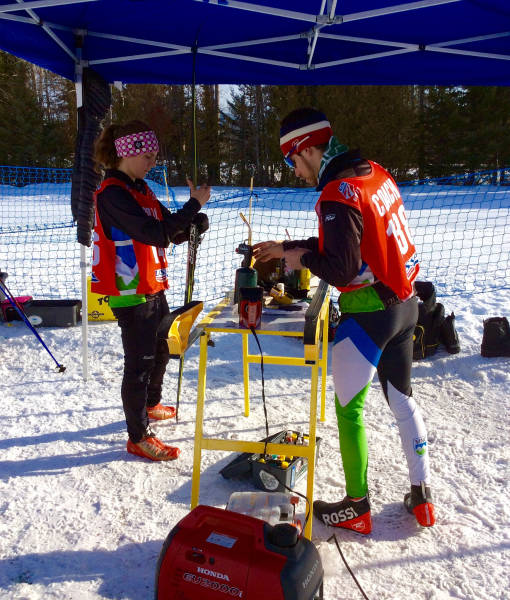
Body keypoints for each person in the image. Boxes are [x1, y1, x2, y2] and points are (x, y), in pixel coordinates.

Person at [253, 108, 434, 533]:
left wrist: (303, 258)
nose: (294, 171)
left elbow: (341, 267)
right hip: (405, 303)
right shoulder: (373, 173)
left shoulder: (336, 192)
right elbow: (359, 242)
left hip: (368, 313)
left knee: (348, 411)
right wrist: (289, 247)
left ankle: (357, 507)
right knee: (402, 400)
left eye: (292, 160)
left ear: (310, 148)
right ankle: (422, 496)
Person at [92, 120, 210, 461]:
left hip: (153, 285)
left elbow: (168, 232)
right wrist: (193, 206)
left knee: (161, 351)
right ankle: (138, 435)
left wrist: (192, 224)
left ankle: (152, 403)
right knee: (139, 364)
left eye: (154, 154)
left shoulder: (141, 189)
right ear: (127, 153)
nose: (153, 161)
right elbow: (153, 233)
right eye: (148, 154)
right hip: (130, 291)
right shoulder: (113, 193)